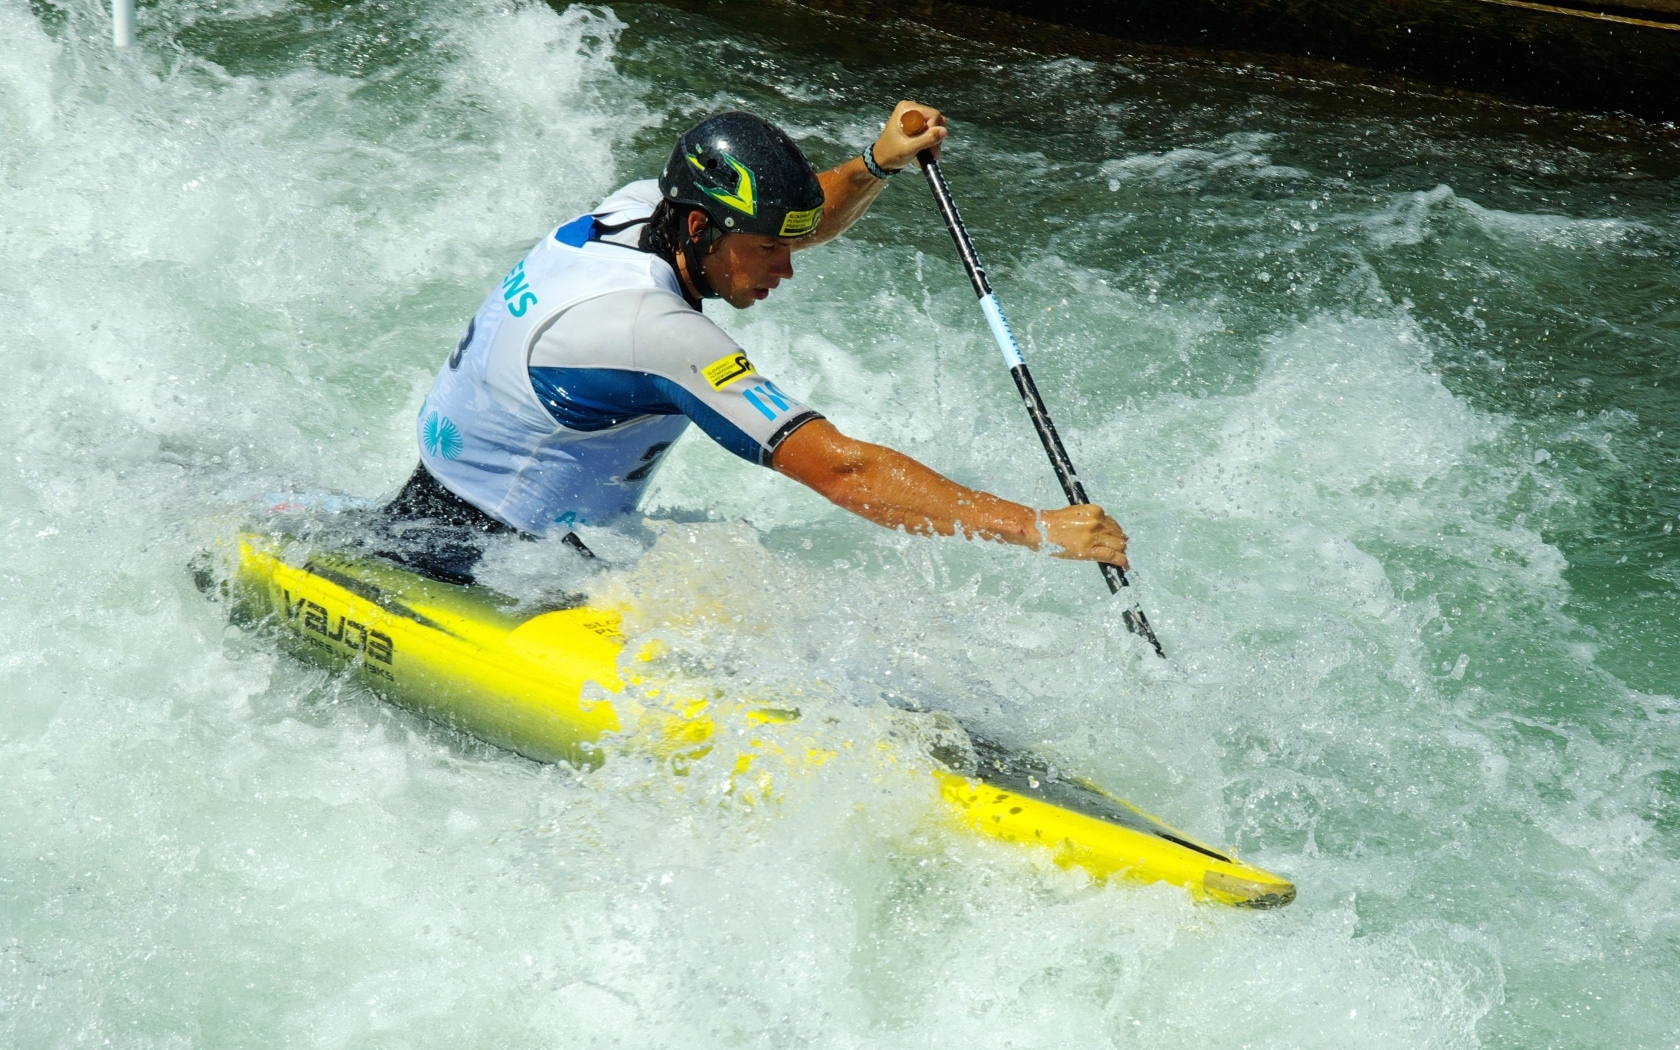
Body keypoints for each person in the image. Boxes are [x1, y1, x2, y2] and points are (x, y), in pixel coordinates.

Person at [382, 102, 1129, 585]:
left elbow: (801, 217)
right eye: (769, 248)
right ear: (702, 230)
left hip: (442, 501)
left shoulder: (641, 205)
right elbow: (843, 471)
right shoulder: (656, 333)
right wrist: (1036, 528)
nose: (789, 267)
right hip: (490, 567)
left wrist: (875, 162)